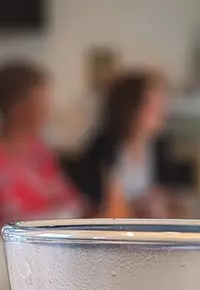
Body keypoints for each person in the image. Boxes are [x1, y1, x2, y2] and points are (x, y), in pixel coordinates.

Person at [0, 59, 84, 250]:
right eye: (42, 101)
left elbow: (71, 202)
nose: (49, 109)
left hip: (39, 252)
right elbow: (10, 222)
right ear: (17, 107)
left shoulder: (38, 151)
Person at [73, 70, 180, 218]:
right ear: (131, 108)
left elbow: (170, 193)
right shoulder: (104, 147)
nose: (162, 111)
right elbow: (94, 206)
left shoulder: (158, 146)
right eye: (152, 104)